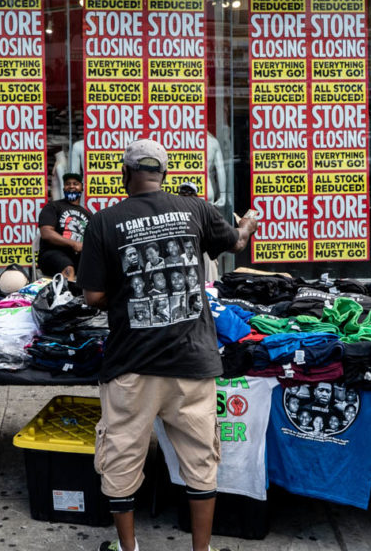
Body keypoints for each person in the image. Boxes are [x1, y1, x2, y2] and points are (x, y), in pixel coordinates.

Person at [77, 138, 257, 551]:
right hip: (191, 362)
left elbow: (92, 297)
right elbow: (236, 243)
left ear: (124, 176)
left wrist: (127, 295)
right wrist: (247, 222)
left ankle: (129, 548)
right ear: (165, 175)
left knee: (121, 458)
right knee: (200, 463)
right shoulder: (194, 208)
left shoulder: (104, 221)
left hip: (131, 365)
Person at [37, 171, 91, 280]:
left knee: (98, 266)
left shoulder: (88, 214)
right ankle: (66, 296)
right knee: (68, 268)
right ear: (63, 188)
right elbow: (46, 233)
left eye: (75, 184)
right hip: (52, 254)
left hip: (77, 256)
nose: (71, 186)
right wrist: (74, 244)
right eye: (67, 184)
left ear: (82, 188)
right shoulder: (53, 207)